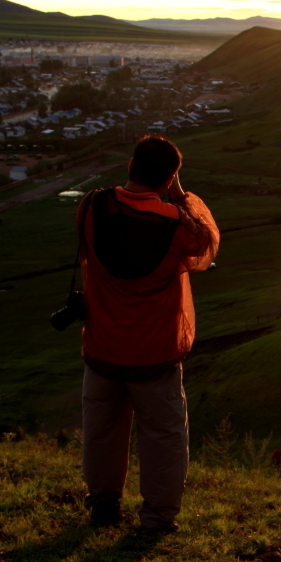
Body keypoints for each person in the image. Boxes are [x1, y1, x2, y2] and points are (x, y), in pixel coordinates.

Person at [76, 134, 219, 531]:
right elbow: (206, 247)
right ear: (169, 177)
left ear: (130, 166)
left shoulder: (91, 206)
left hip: (102, 346)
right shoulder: (176, 227)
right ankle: (157, 517)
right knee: (164, 437)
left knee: (102, 432)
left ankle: (103, 505)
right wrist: (181, 195)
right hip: (155, 353)